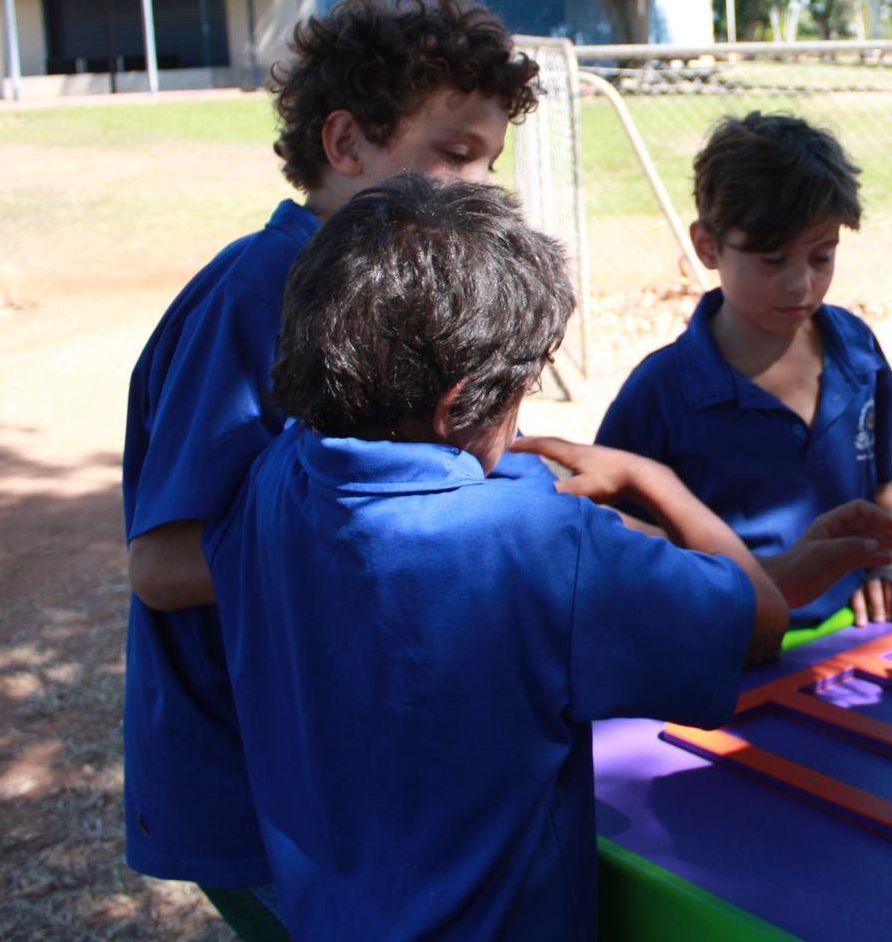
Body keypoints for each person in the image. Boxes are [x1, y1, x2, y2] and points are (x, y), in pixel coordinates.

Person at [205, 175, 786, 940]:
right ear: (460, 401)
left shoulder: (278, 473)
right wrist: (657, 480)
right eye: (526, 384)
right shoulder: (535, 541)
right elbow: (760, 620)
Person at [120, 0, 540, 939]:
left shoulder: (392, 291)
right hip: (258, 787)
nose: (481, 187)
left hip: (340, 766)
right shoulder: (259, 295)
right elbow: (163, 565)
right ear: (346, 145)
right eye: (453, 154)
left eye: (491, 162)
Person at [596, 111, 892, 632]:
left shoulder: (856, 348)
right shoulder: (661, 390)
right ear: (709, 246)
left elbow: (879, 478)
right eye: (773, 260)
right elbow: (613, 534)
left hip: (851, 631)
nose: (800, 285)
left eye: (821, 257)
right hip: (725, 643)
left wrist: (880, 564)